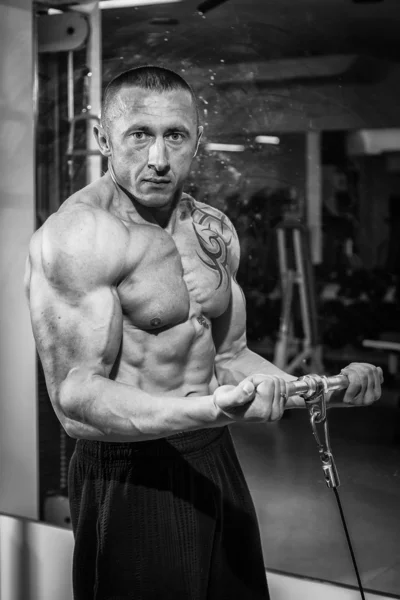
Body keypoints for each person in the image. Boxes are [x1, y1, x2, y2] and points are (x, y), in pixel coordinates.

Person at [25, 66, 383, 600]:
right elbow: (75, 400)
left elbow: (231, 354)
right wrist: (212, 408)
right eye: (139, 135)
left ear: (197, 137)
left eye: (176, 135)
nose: (159, 159)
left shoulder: (212, 229)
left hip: (213, 453)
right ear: (103, 138)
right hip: (131, 468)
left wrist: (317, 390)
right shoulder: (80, 236)